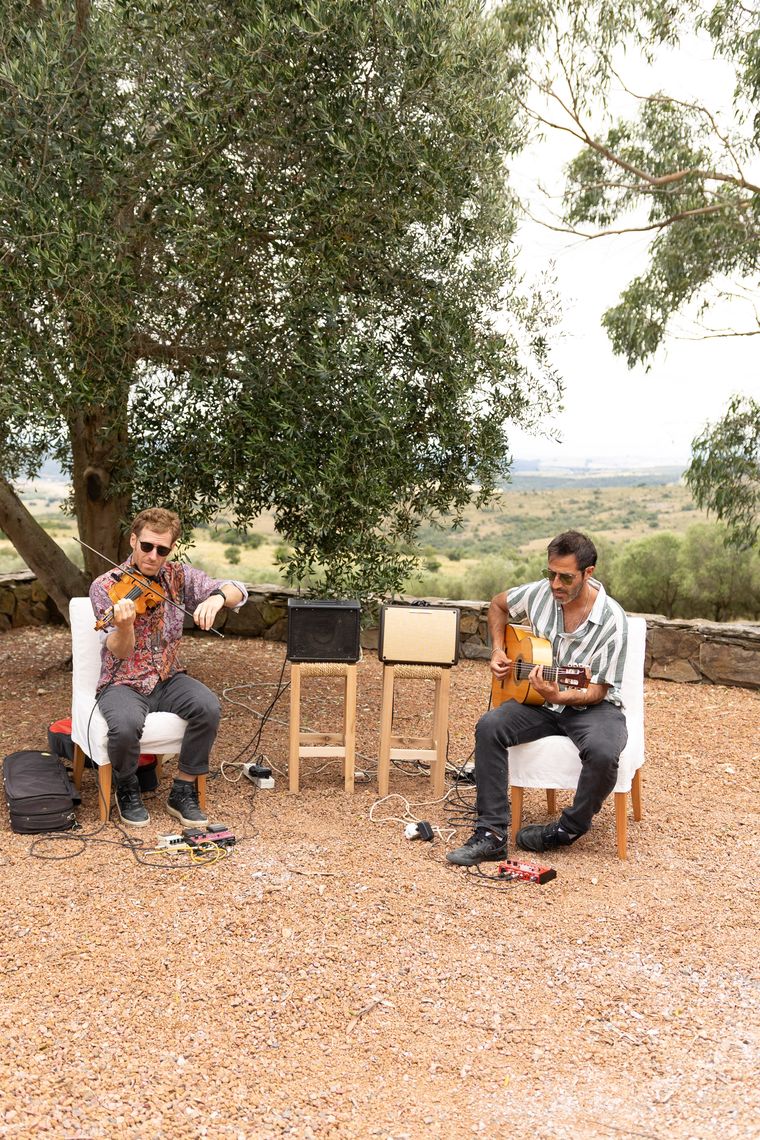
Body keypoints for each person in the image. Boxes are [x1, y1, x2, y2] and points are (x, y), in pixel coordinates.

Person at [447, 530, 628, 866]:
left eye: (565, 577)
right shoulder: (540, 593)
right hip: (539, 702)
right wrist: (498, 650)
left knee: (604, 753)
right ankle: (491, 834)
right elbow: (498, 604)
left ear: (588, 573)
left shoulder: (612, 620)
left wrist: (561, 693)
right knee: (490, 726)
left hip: (592, 706)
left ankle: (567, 829)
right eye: (551, 573)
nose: (555, 584)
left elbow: (598, 689)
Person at [89, 507, 248, 828]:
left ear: (171, 549)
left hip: (168, 677)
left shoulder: (178, 576)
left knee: (208, 707)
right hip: (123, 681)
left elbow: (238, 589)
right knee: (124, 726)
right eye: (146, 546)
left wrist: (216, 598)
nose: (152, 556)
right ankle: (127, 786)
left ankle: (183, 790)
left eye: (161, 550)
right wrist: (125, 626)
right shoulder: (106, 586)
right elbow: (120, 650)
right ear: (133, 540)